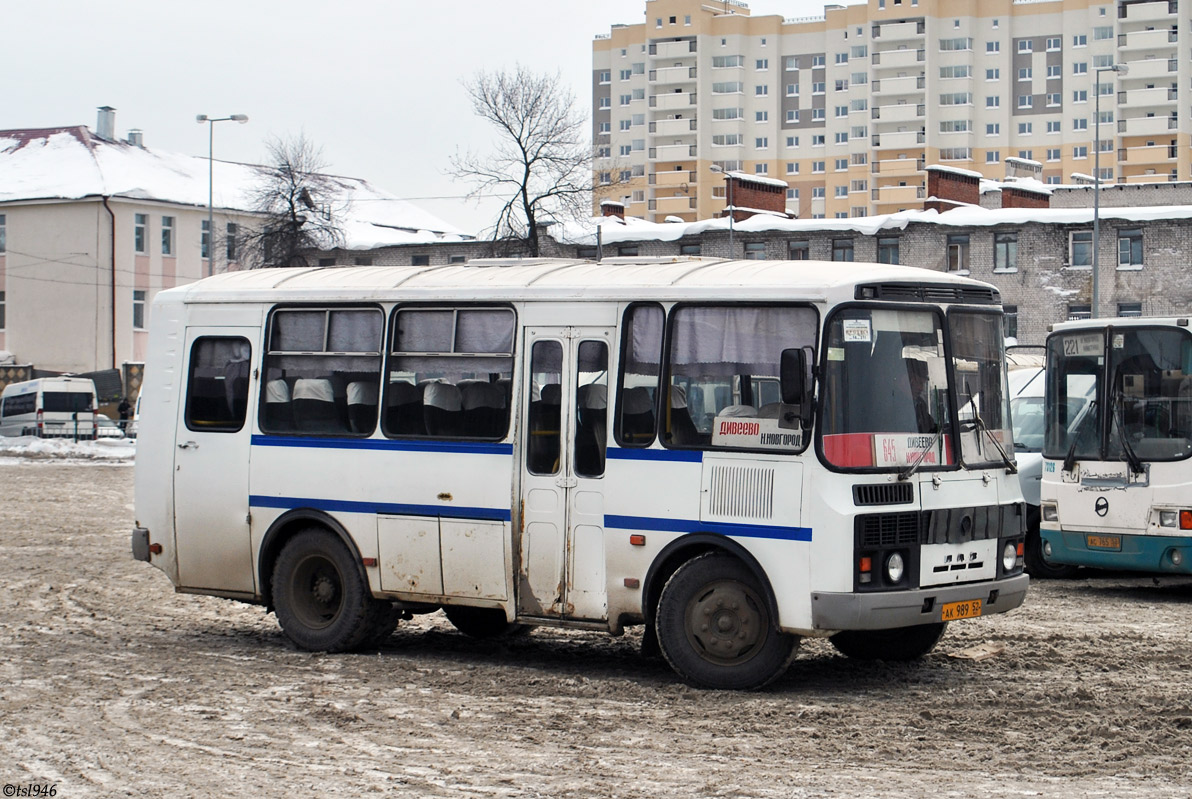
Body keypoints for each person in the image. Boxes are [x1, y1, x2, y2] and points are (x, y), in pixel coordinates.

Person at [907, 360, 936, 434]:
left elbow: (930, 427)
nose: (921, 388)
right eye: (919, 382)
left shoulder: (920, 404)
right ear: (909, 380)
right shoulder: (892, 404)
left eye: (923, 383)